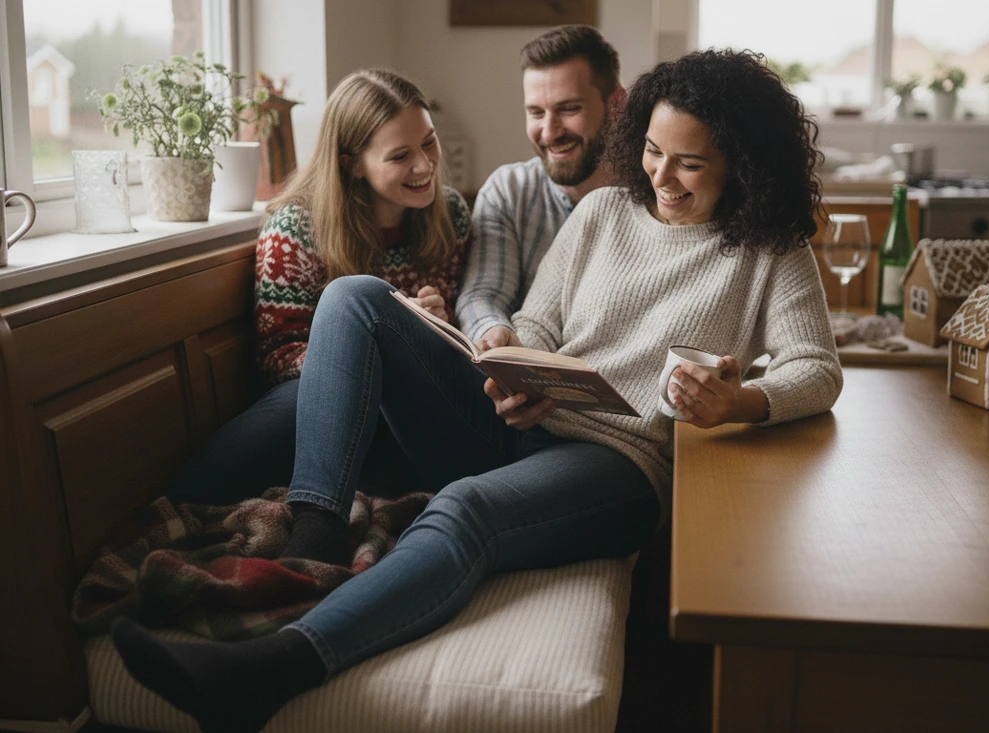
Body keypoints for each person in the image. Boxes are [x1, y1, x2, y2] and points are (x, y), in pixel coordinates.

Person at [110, 49, 843, 733]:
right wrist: (514, 362)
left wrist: (737, 399)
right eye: (652, 152)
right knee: (355, 299)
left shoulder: (770, 247)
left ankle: (270, 670)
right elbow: (537, 319)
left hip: (623, 460)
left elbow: (816, 368)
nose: (662, 177)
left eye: (690, 164)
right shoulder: (602, 213)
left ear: (741, 166)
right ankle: (315, 542)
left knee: (465, 506)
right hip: (528, 419)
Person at [163, 68, 471, 505]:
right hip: (322, 399)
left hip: (417, 409)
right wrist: (384, 351)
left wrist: (437, 330)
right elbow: (278, 358)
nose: (424, 165)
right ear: (352, 164)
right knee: (225, 466)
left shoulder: (451, 214)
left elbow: (460, 338)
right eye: (400, 155)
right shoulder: (296, 228)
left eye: (429, 141)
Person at [456, 24, 624, 350]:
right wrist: (495, 337)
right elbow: (483, 294)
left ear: (616, 104)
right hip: (517, 381)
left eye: (569, 109)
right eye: (536, 112)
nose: (549, 132)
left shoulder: (658, 195)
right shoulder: (509, 190)